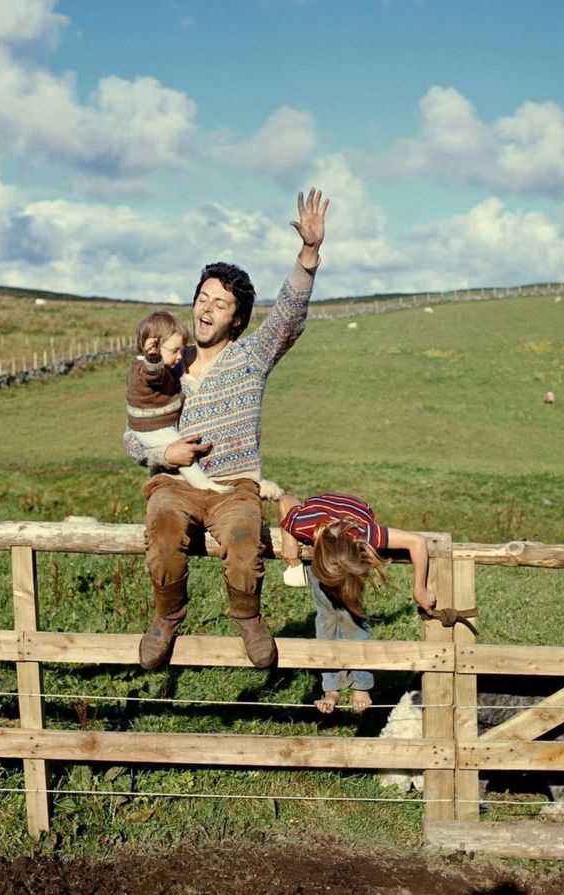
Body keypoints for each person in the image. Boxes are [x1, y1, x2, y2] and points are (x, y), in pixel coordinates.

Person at [124, 188, 329, 672]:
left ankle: (248, 618)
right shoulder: (164, 366)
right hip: (175, 485)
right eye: (201, 298)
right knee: (163, 526)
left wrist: (309, 253)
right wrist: (162, 455)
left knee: (242, 537)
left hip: (234, 486)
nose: (205, 309)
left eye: (219, 303)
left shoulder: (250, 359)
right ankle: (166, 617)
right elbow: (133, 435)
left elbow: (288, 318)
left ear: (236, 317)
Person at [278, 491, 436, 713]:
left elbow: (417, 542)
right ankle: (331, 688)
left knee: (352, 618)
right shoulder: (304, 525)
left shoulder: (366, 534)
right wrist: (288, 538)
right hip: (324, 549)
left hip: (350, 538)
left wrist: (420, 588)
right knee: (326, 620)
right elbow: (285, 500)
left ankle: (361, 685)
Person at [126, 310, 232, 494]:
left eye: (182, 351)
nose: (179, 356)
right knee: (183, 450)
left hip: (153, 424)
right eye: (175, 351)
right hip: (151, 427)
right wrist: (154, 358)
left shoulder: (144, 366)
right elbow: (154, 375)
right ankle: (204, 485)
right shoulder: (146, 370)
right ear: (152, 348)